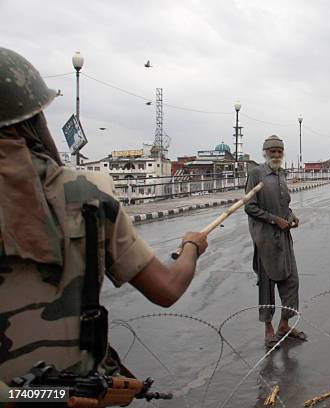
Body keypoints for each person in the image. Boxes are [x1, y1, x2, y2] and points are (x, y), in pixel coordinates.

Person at [0, 47, 208, 392]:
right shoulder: (87, 195)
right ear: (34, 119)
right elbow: (167, 289)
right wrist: (191, 246)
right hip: (69, 392)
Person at [245, 135, 306, 348]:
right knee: (267, 285)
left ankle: (284, 325)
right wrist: (275, 220)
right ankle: (268, 329)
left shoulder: (281, 174)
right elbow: (249, 207)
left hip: (283, 238)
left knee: (292, 281)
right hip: (265, 240)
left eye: (279, 151)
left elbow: (283, 204)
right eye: (272, 151)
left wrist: (290, 216)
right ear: (265, 152)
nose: (276, 154)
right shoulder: (256, 174)